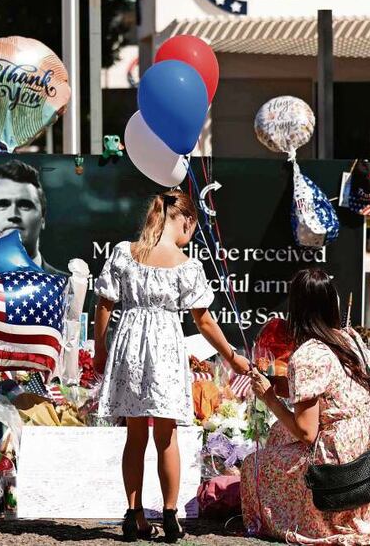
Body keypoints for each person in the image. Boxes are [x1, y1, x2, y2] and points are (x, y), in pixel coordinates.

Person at [93, 190, 251, 543]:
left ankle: (134, 515)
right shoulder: (187, 266)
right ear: (186, 221)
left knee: (135, 435)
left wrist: (101, 350)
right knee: (167, 437)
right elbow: (204, 321)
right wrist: (231, 356)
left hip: (130, 345)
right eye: (192, 229)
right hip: (165, 347)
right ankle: (170, 515)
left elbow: (104, 304)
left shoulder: (124, 253)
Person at [242, 268, 370, 545]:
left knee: (253, 464)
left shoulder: (308, 355)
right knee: (277, 433)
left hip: (341, 460)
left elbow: (307, 433)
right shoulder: (350, 339)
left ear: (295, 308)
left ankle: (304, 519)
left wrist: (269, 398)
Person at [0, 159, 61, 274]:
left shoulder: (71, 283)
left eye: (25, 205)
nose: (14, 214)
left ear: (42, 219)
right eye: (2, 205)